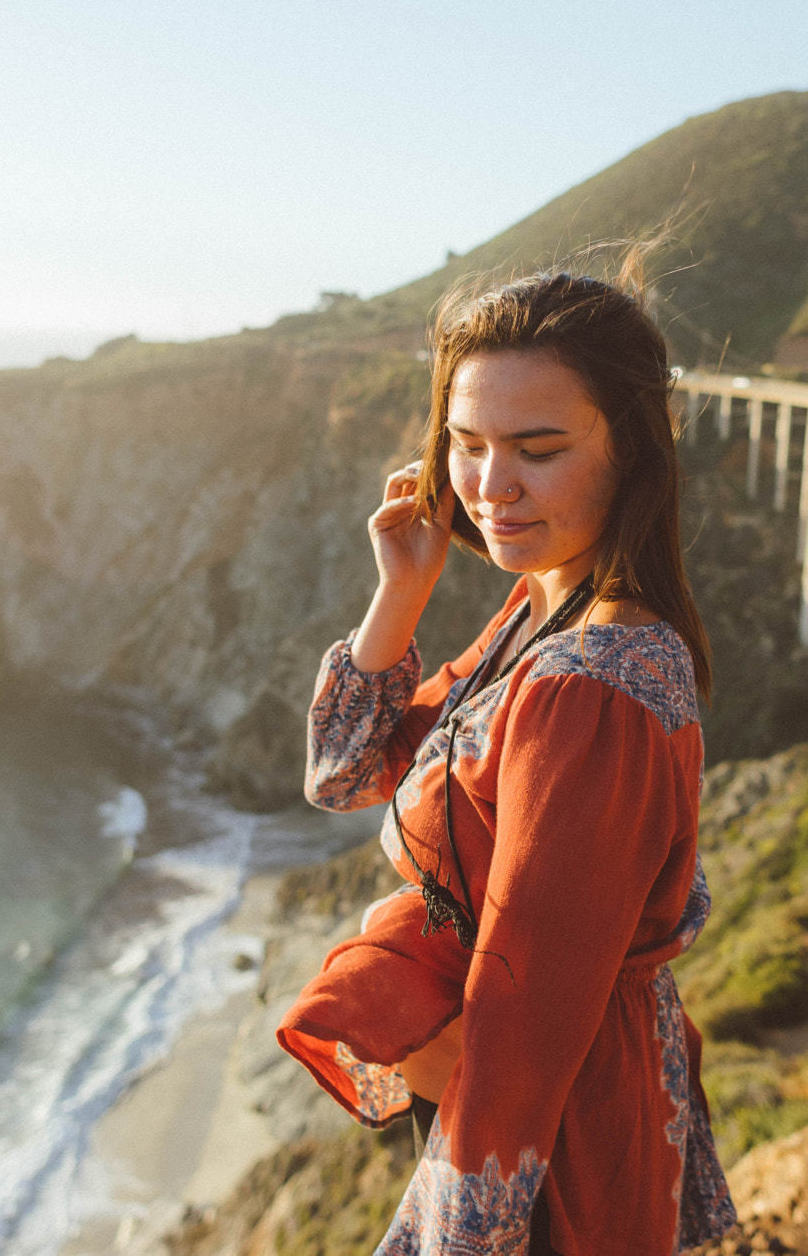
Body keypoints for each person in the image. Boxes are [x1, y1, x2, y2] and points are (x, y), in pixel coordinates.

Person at [277, 258, 736, 1255]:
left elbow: (527, 1015)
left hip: (546, 1117)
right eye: (465, 443)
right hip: (532, 1086)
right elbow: (342, 775)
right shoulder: (536, 615)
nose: (489, 487)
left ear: (630, 453)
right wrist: (399, 591)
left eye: (537, 449)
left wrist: (456, 1237)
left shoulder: (587, 687)